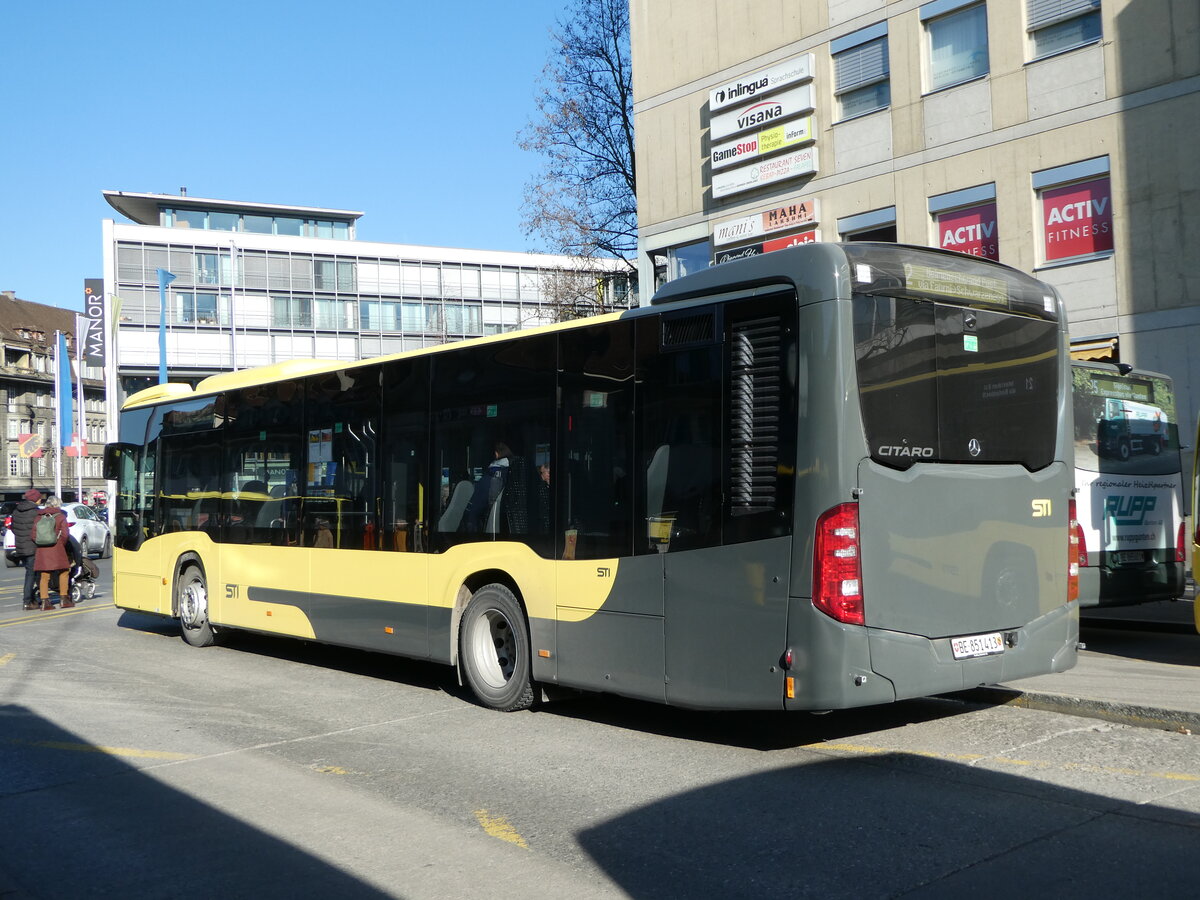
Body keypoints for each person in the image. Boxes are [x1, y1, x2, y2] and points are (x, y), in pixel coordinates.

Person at [31, 496, 71, 610]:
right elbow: (65, 535)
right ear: (57, 505)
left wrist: (41, 543)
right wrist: (60, 544)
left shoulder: (38, 517)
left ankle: (45, 601)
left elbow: (33, 535)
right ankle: (64, 599)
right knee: (64, 571)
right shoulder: (61, 517)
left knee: (44, 575)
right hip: (57, 548)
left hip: (42, 550)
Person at [463, 442, 512, 533]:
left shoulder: (491, 476)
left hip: (491, 530)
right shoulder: (515, 475)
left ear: (496, 454)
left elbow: (475, 509)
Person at [12, 489, 42, 610]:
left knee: (30, 572)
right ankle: (28, 601)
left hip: (21, 546)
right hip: (32, 546)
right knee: (32, 574)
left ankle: (31, 598)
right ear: (35, 499)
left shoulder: (16, 511)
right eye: (40, 498)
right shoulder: (36, 512)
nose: (41, 500)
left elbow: (14, 528)